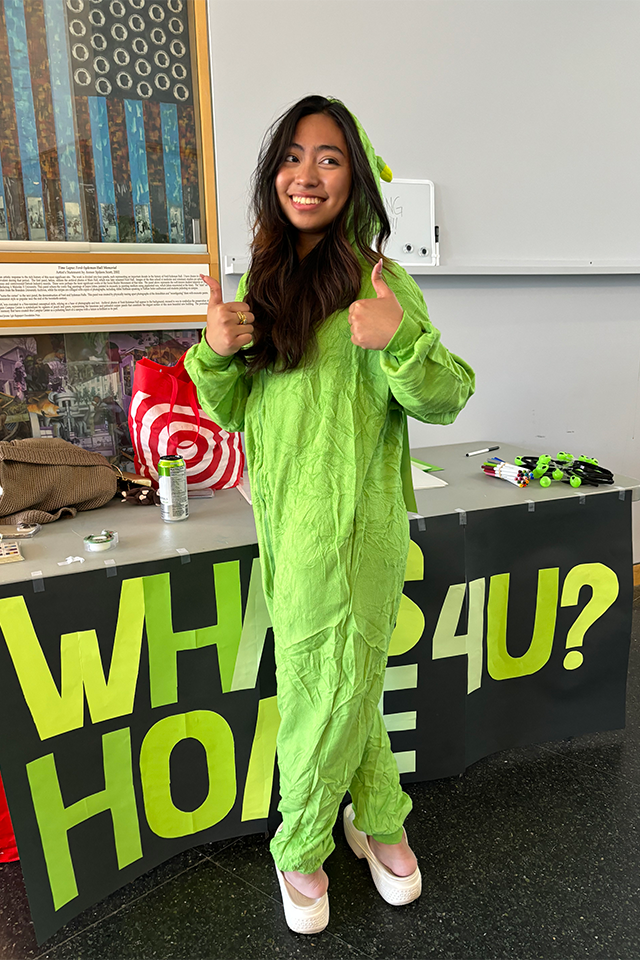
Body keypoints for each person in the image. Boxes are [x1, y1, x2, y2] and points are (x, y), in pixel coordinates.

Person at [184, 95, 475, 934]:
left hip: (360, 530)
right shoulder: (264, 279)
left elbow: (449, 396)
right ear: (274, 171)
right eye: (292, 156)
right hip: (283, 529)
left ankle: (301, 841)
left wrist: (401, 342)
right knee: (341, 682)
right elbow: (234, 411)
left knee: (327, 684)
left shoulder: (383, 283)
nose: (305, 175)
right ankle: (378, 818)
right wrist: (215, 350)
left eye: (330, 158)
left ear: (355, 179)